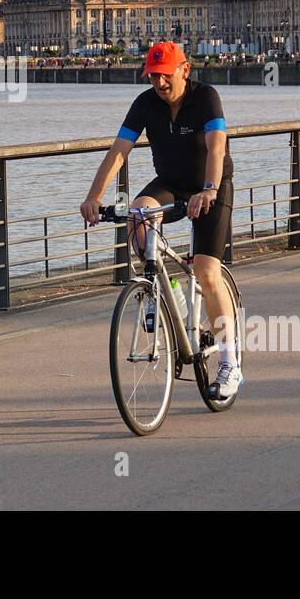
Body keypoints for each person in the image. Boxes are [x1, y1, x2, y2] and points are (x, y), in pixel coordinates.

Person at [79, 42, 240, 398]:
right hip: (170, 183)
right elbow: (118, 152)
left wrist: (210, 189)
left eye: (165, 75)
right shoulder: (145, 103)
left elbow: (217, 147)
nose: (159, 83)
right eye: (153, 76)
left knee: (207, 271)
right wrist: (94, 197)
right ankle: (164, 295)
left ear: (184, 69)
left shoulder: (206, 98)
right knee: (138, 214)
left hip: (210, 186)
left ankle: (230, 364)